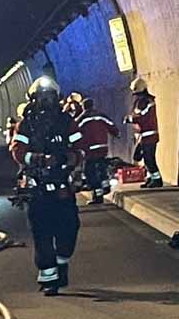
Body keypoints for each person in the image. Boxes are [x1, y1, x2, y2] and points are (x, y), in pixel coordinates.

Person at [10, 76, 84, 295]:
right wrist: (38, 159)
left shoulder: (67, 122)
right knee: (42, 234)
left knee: (69, 229)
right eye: (41, 97)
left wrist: (69, 159)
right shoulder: (26, 125)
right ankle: (49, 279)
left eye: (49, 96)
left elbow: (80, 147)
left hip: (63, 186)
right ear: (33, 99)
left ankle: (62, 262)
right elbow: (17, 150)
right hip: (38, 188)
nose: (45, 101)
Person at [76, 97, 120, 204]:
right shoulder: (101, 115)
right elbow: (111, 125)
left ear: (83, 107)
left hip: (90, 148)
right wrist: (116, 133)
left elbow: (75, 130)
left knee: (90, 171)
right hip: (102, 146)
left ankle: (98, 195)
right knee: (101, 166)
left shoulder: (82, 118)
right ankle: (105, 186)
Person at [125, 78, 163, 188]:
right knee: (142, 157)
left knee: (149, 158)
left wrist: (130, 119)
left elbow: (142, 117)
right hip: (144, 135)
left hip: (149, 135)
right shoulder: (144, 101)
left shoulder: (145, 102)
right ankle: (151, 178)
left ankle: (157, 180)